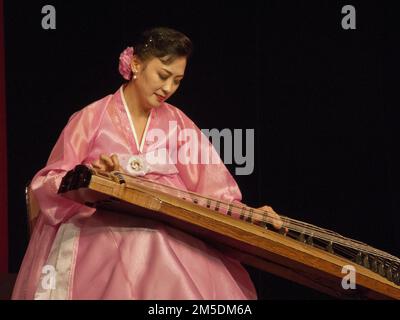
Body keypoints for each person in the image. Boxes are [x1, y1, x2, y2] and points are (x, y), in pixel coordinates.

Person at [12, 27, 283, 300]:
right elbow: (48, 182)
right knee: (150, 242)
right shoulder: (92, 118)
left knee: (172, 247)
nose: (168, 88)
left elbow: (213, 190)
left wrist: (250, 215)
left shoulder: (178, 124)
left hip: (166, 229)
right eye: (163, 76)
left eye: (177, 80)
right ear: (136, 64)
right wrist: (91, 177)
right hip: (100, 229)